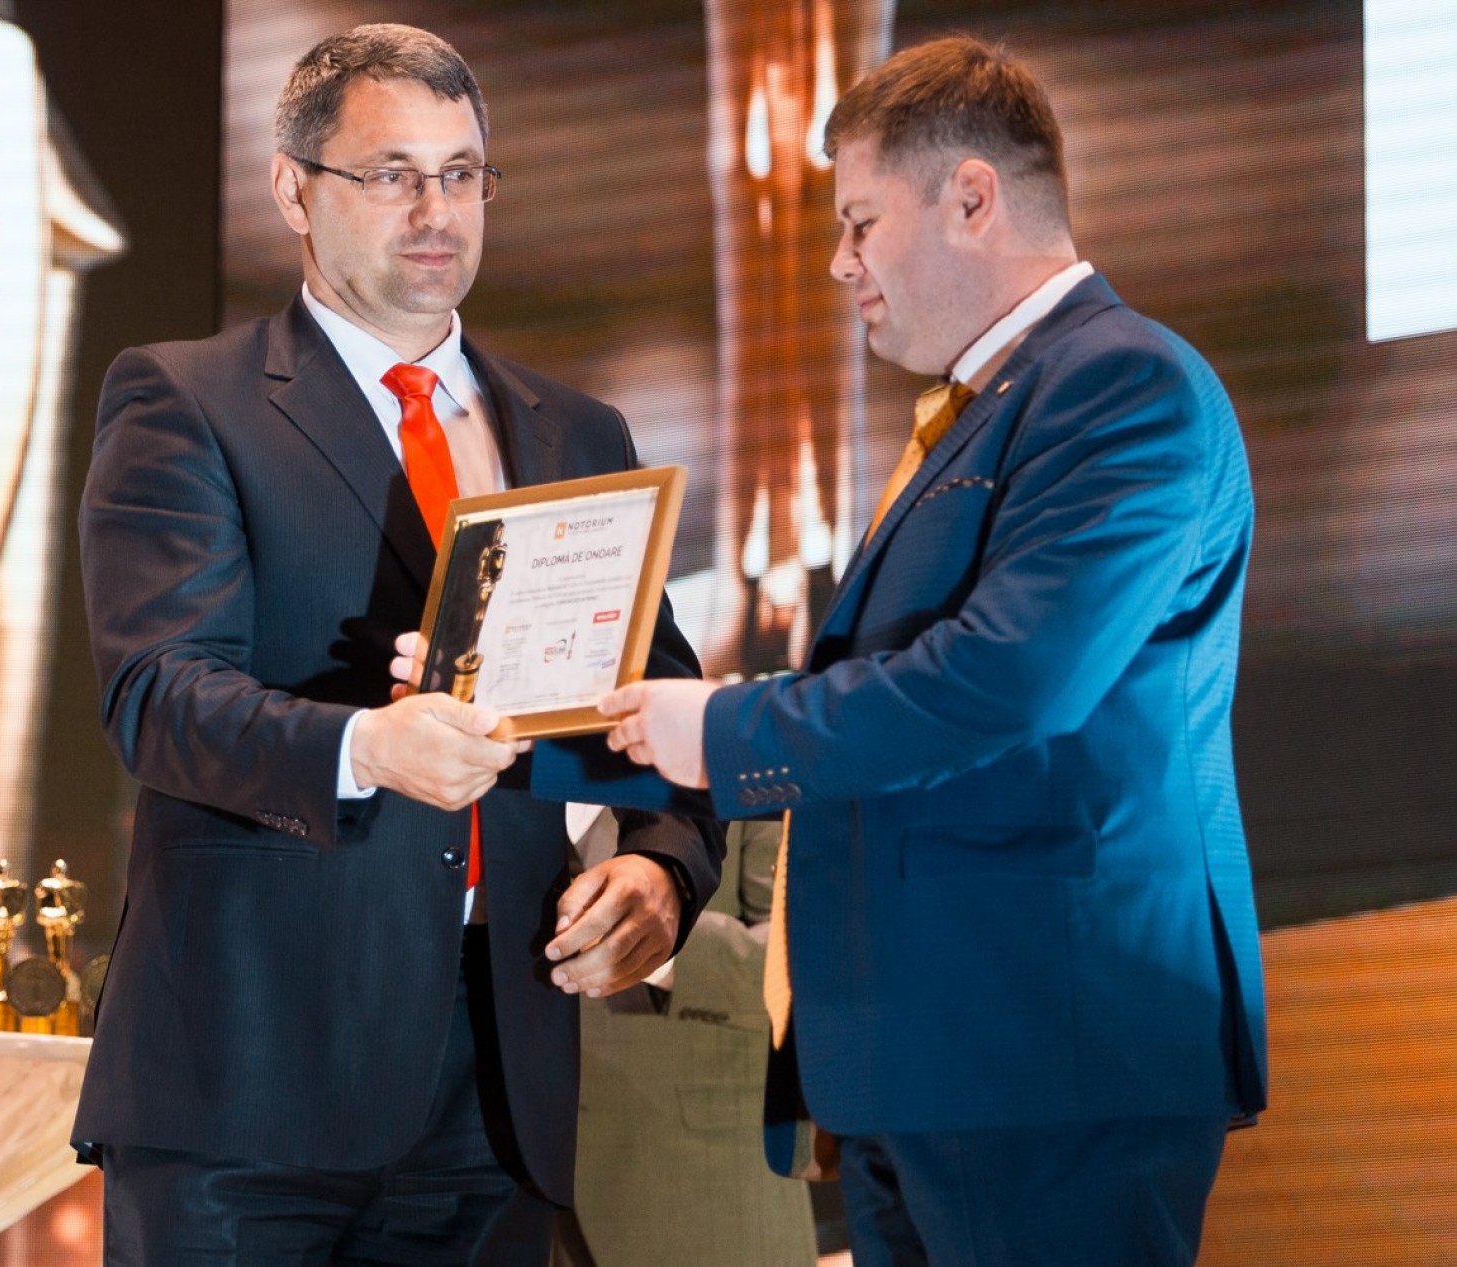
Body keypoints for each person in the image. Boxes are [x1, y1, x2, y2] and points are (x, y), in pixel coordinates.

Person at [595, 35, 1267, 1266]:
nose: (838, 261)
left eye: (859, 221)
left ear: (970, 197)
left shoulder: (1123, 383)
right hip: (935, 1060)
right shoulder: (995, 404)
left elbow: (1007, 679)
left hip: (1043, 1056)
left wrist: (726, 728)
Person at [71, 24, 722, 1266]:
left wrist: (663, 869)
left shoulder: (577, 431)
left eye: (462, 174)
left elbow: (660, 705)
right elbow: (158, 694)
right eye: (390, 174)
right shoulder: (187, 399)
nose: (436, 211)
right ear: (292, 190)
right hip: (246, 1083)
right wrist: (366, 747)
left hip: (498, 1079)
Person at [556, 813, 818, 1267]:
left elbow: (808, 959)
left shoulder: (748, 776)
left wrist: (652, 944)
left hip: (705, 1188)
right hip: (516, 1177)